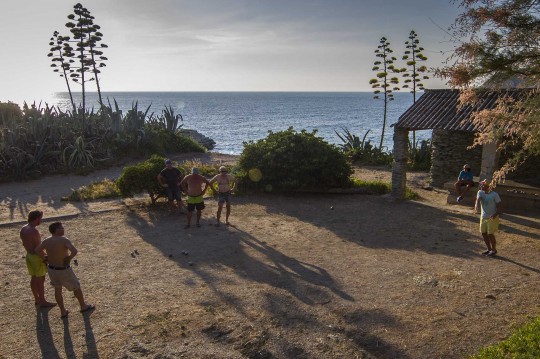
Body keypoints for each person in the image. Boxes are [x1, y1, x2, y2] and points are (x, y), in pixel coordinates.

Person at [35, 222, 94, 318]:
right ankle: (83, 306)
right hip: (63, 269)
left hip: (52, 269)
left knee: (57, 289)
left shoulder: (47, 241)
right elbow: (74, 251)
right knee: (76, 287)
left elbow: (37, 249)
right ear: (57, 230)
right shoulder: (64, 240)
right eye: (61, 228)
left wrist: (45, 257)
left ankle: (63, 311)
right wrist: (69, 258)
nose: (63, 229)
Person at [19, 210, 56, 308]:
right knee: (40, 279)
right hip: (36, 258)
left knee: (34, 278)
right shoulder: (34, 231)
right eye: (40, 218)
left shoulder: (23, 228)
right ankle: (43, 301)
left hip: (29, 256)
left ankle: (37, 299)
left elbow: (26, 244)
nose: (41, 220)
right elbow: (38, 249)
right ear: (36, 219)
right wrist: (46, 258)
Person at [474, 180, 503, 256]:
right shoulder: (480, 192)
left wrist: (496, 214)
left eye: (483, 186)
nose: (481, 187)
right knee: (483, 233)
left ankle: (494, 250)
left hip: (492, 217)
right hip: (483, 216)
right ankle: (489, 249)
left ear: (488, 187)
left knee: (490, 234)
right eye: (481, 185)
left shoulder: (494, 194)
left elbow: (500, 205)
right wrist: (476, 205)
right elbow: (478, 199)